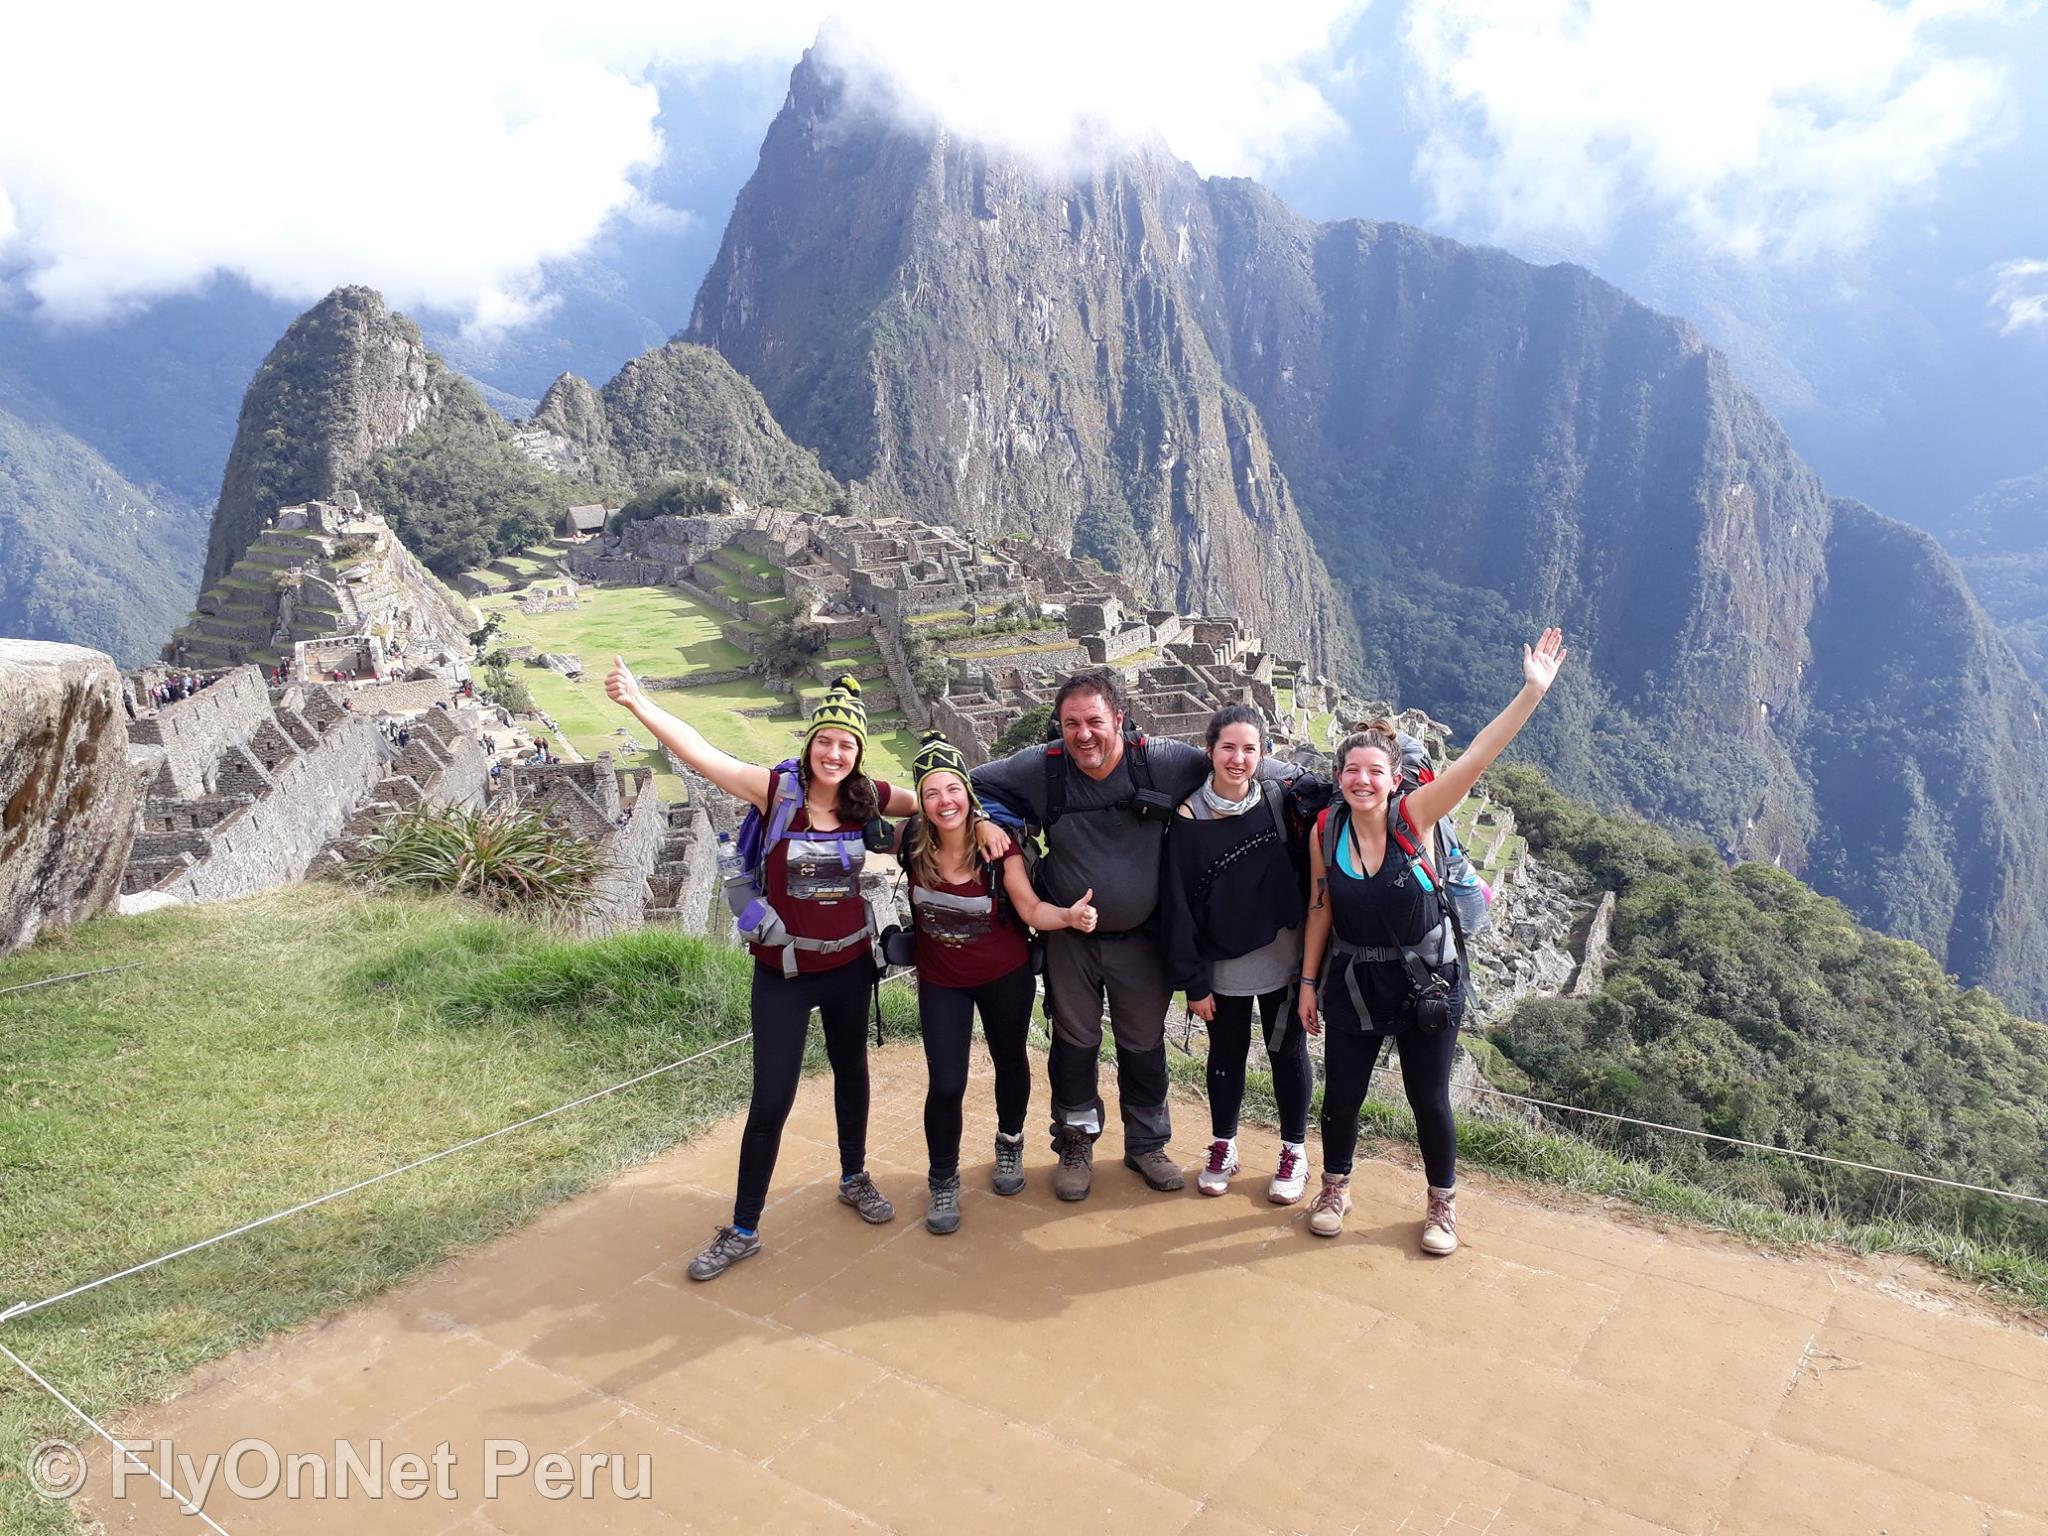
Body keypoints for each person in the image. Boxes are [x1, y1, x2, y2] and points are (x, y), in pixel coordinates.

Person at [605, 659, 999, 1281]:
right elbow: (700, 752)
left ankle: (853, 1175)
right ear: (810, 744)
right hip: (783, 973)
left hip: (849, 967)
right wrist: (638, 703)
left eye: (847, 745)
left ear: (858, 753)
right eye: (826, 742)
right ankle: (743, 1227)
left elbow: (940, 799)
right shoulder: (774, 792)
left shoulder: (867, 799)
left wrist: (985, 821)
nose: (835, 754)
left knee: (852, 1075)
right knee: (772, 1099)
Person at [971, 668, 1298, 1200]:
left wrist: (1335, 782)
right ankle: (1075, 1142)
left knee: (1143, 1045)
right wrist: (985, 819)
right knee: (1075, 1044)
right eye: (1071, 724)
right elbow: (972, 782)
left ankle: (1147, 1144)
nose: (1083, 735)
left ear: (1118, 719)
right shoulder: (1044, 767)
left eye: (1094, 721)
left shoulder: (1160, 762)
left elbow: (1234, 759)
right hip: (1069, 938)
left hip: (1143, 937)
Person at [1299, 628, 1569, 1255]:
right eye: (1351, 770)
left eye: (1374, 771)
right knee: (1341, 1097)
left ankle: (1441, 1204)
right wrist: (1308, 982)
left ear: (1395, 778)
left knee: (1429, 1100)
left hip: (1427, 982)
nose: (1362, 780)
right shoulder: (1326, 830)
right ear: (1339, 776)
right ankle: (1334, 1189)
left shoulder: (1415, 816)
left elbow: (1476, 758)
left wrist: (1532, 692)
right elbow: (1320, 908)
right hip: (1354, 984)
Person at [892, 732, 1099, 1234]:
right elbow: (858, 804)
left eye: (953, 789)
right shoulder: (909, 845)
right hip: (942, 982)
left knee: (1010, 1062)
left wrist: (1068, 917)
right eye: (932, 793)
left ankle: (1010, 1142)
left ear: (968, 792)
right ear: (920, 801)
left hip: (1004, 976)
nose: (945, 802)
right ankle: (943, 1177)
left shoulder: (998, 849)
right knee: (946, 1083)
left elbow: (1029, 909)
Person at [1160, 705, 1317, 1204]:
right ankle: (1223, 1145)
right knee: (1225, 1056)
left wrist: (1311, 975)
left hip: (1283, 961)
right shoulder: (1188, 818)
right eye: (1228, 747)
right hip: (1222, 966)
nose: (1238, 758)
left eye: (1249, 749)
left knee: (1286, 1054)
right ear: (1209, 751)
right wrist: (1193, 981)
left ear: (1263, 754)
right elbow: (1177, 906)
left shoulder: (1277, 802)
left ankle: (1294, 1151)